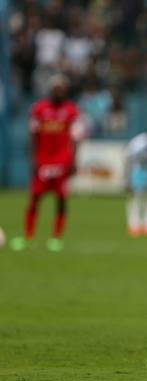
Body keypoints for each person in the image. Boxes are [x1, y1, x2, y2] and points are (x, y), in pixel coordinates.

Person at [10, 75, 82, 252]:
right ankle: (28, 236)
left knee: (61, 200)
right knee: (35, 198)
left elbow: (76, 139)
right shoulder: (39, 109)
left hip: (62, 161)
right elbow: (33, 136)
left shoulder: (71, 110)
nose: (59, 92)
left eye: (62, 89)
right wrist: (34, 159)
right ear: (51, 90)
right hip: (43, 160)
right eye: (56, 89)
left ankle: (56, 238)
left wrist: (74, 161)